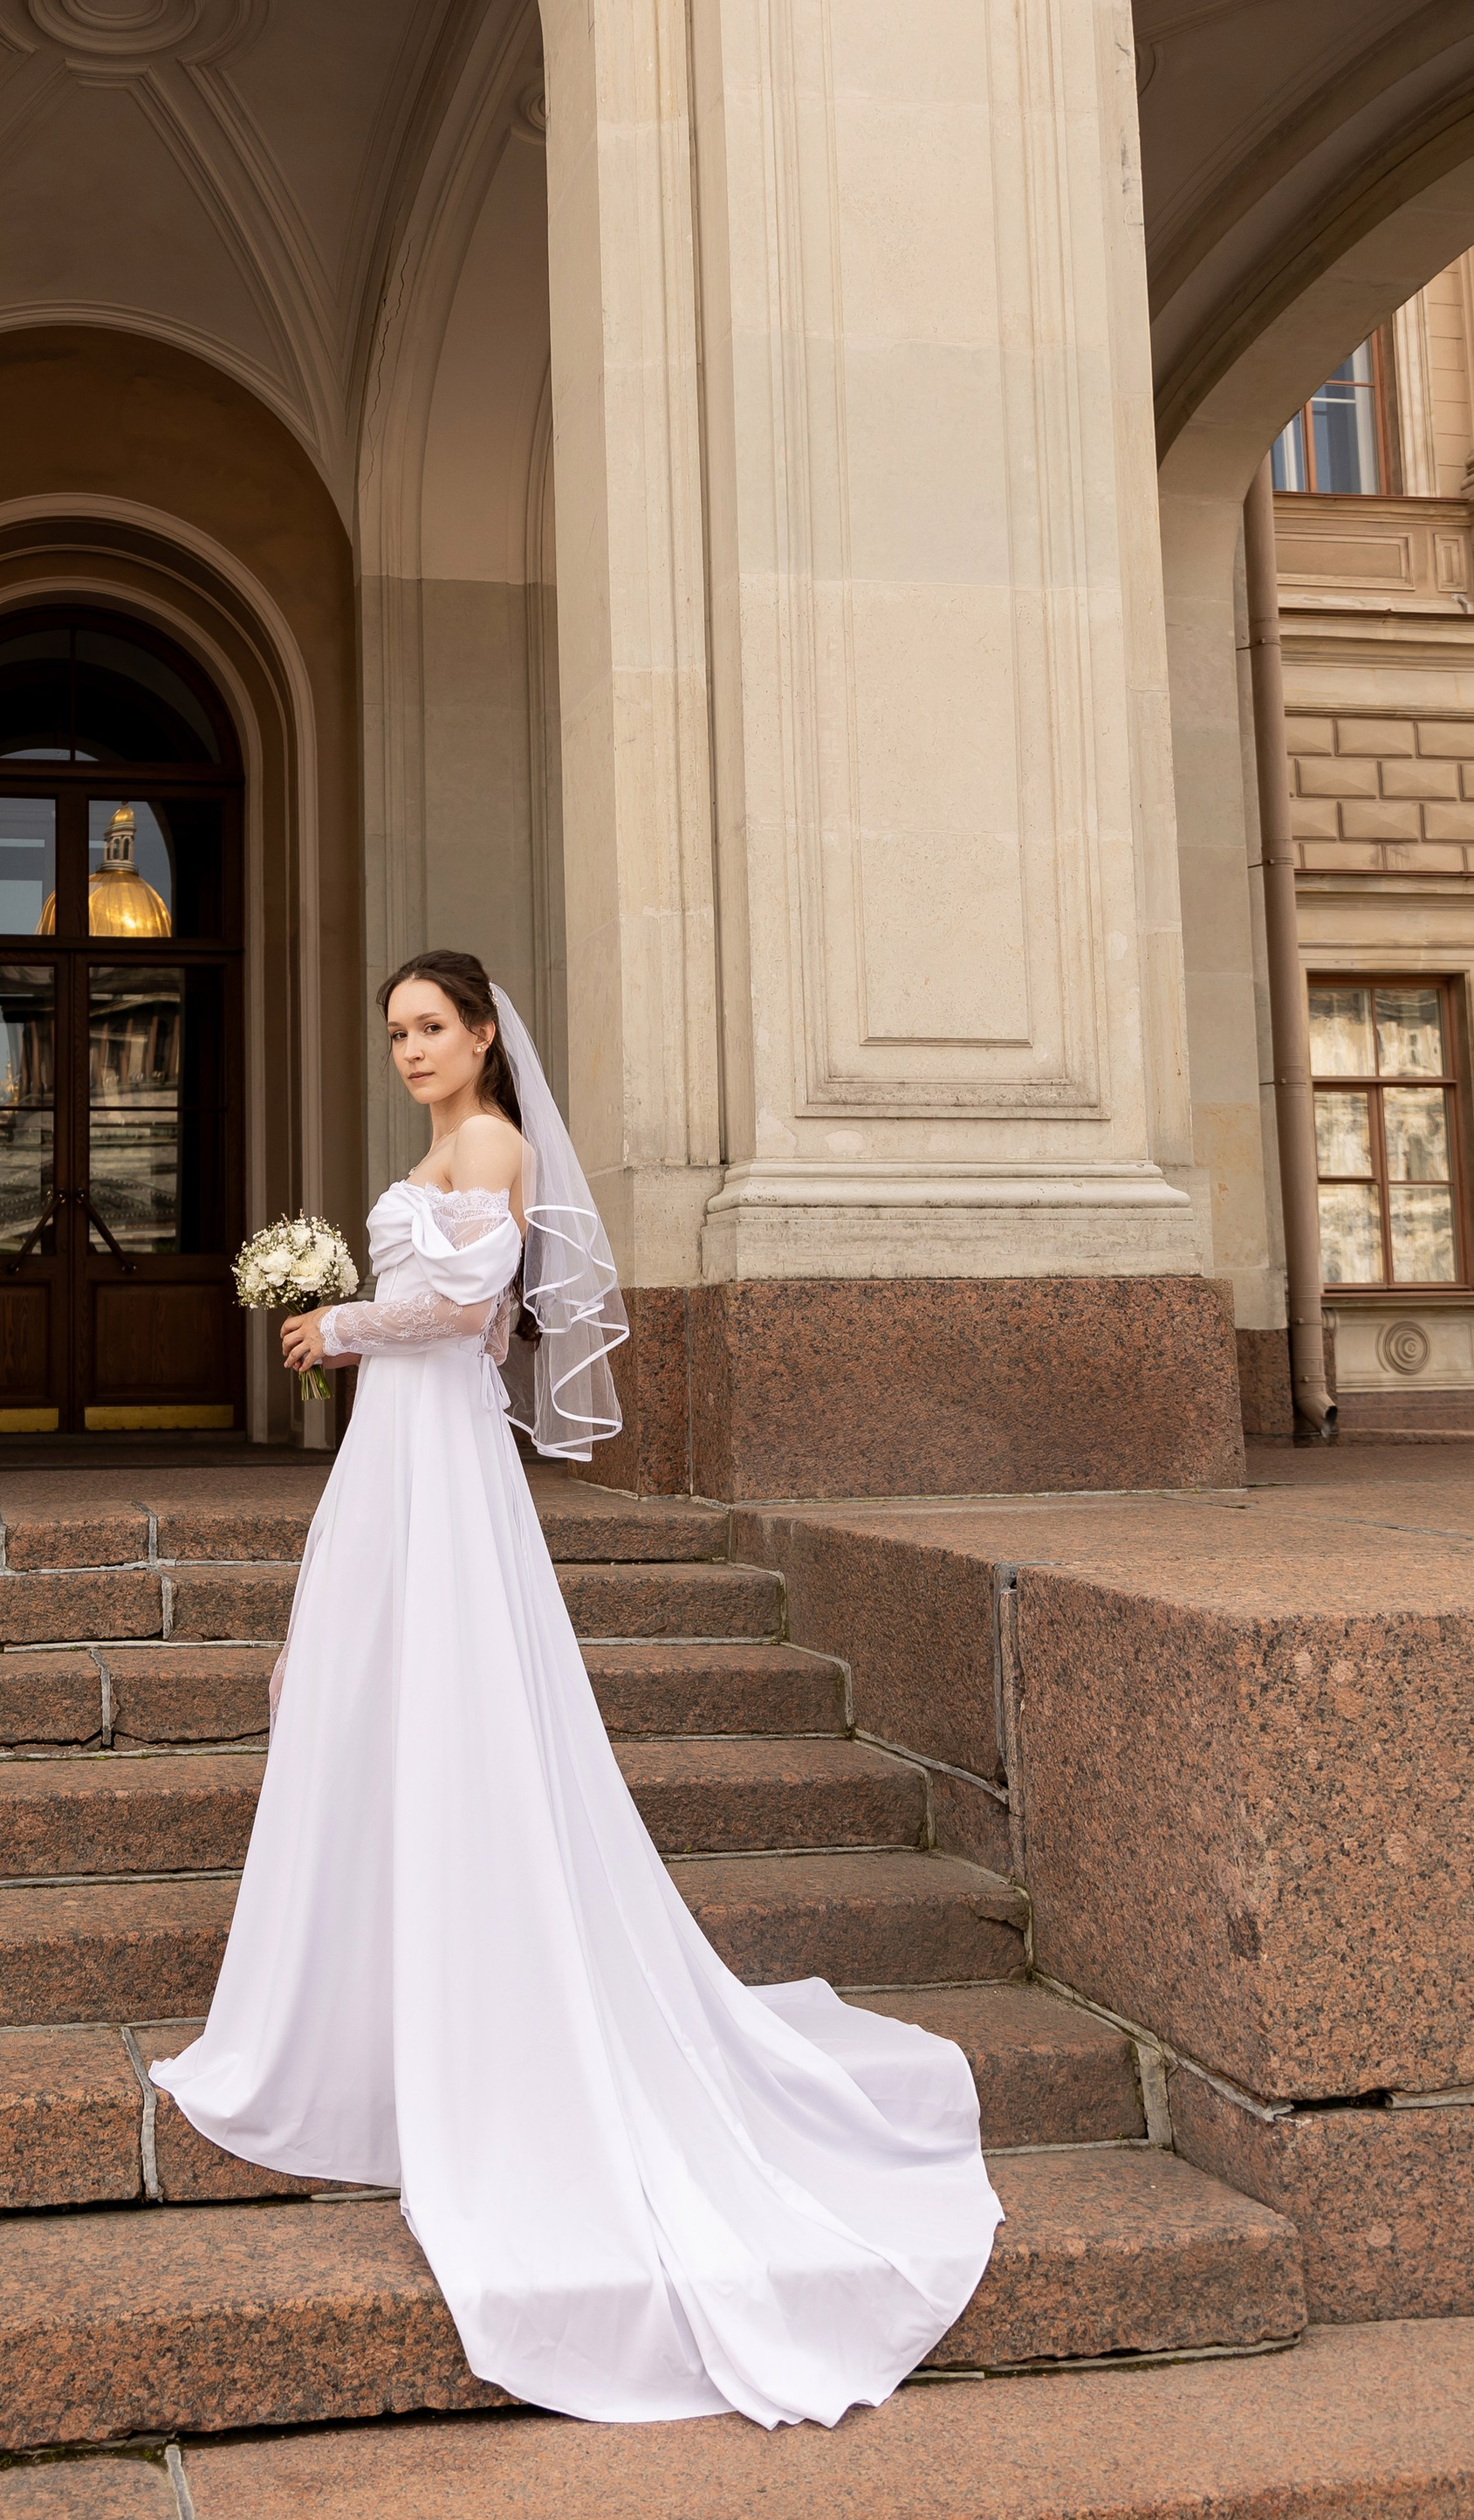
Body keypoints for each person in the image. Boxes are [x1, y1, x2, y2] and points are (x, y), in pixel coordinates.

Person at [152, 951, 1002, 2427]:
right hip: (395, 1462)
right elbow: (464, 1317)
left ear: (485, 1034)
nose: (412, 1050)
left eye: (432, 1027)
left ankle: (477, 2028)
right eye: (397, 1033)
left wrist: (338, 1323)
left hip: (440, 1459)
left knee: (453, 1724)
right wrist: (354, 1334)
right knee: (365, 1715)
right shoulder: (442, 1149)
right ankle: (365, 2026)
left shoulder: (494, 1144)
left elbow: (475, 1312)